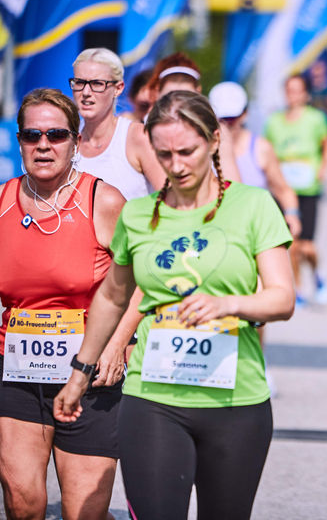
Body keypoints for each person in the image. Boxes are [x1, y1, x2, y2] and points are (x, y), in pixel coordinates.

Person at [53, 91, 295, 519]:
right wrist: (80, 372)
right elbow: (113, 294)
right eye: (164, 154)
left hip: (235, 401)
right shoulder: (139, 214)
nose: (177, 164)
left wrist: (228, 304)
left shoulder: (252, 206)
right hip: (153, 397)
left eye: (187, 151)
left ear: (214, 141)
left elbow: (282, 298)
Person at [0, 88, 127, 519]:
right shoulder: (2, 202)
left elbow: (142, 282)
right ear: (19, 142)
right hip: (16, 370)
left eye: (56, 134)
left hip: (90, 375)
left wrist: (117, 346)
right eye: (32, 135)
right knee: (22, 503)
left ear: (75, 141)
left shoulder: (103, 200)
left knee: (83, 512)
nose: (43, 144)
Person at [265, 74, 327, 307]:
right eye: (289, 90)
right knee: (292, 243)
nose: (293, 95)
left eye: (297, 90)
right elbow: (268, 152)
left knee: (307, 247)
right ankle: (300, 288)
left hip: (308, 187)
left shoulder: (315, 119)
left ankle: (317, 273)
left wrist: (323, 168)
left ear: (305, 94)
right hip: (284, 188)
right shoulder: (274, 121)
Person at [208, 80, 302, 238]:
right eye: (222, 118)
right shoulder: (201, 150)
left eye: (233, 117)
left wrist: (292, 215)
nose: (227, 124)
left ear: (245, 114)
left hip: (254, 232)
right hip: (215, 230)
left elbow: (283, 189)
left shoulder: (260, 148)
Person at [71, 48, 164, 199]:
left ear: (118, 88)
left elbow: (170, 201)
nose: (86, 92)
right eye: (79, 82)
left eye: (97, 84)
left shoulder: (138, 137)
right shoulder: (66, 137)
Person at [145, 52, 243, 183]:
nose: (177, 104)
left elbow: (232, 185)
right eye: (170, 96)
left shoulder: (217, 131)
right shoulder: (137, 130)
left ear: (198, 92)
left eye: (185, 97)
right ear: (157, 93)